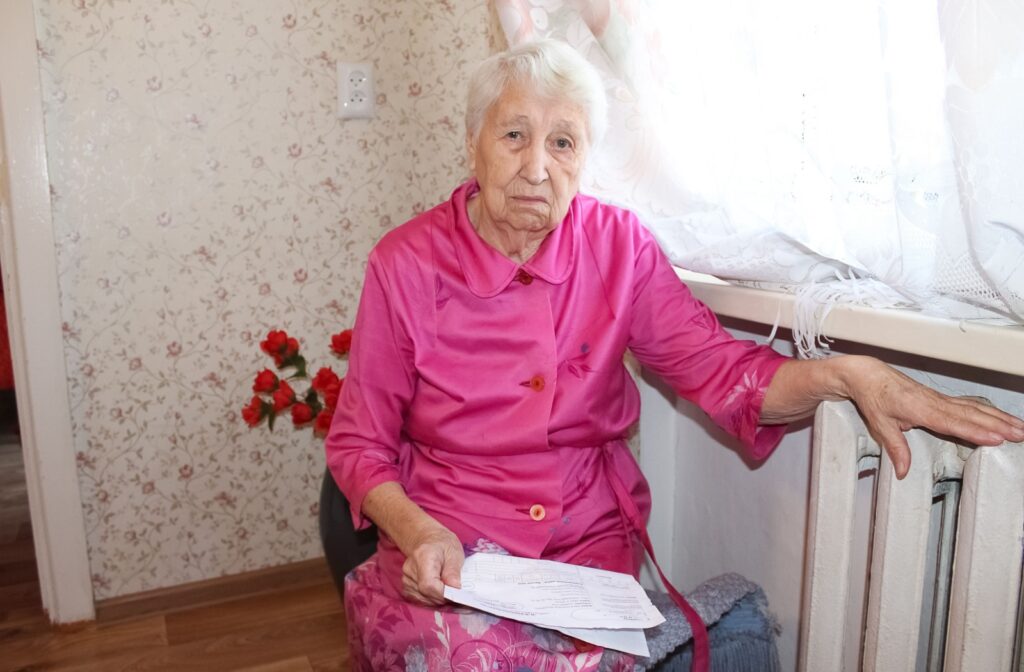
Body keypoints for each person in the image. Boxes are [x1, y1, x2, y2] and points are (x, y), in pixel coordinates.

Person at [325, 39, 1024, 672]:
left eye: (564, 143)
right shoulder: (405, 263)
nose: (537, 166)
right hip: (450, 550)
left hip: (583, 555)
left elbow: (722, 371)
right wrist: (419, 532)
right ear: (473, 144)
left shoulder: (618, 246)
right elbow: (359, 445)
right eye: (515, 135)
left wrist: (847, 373)